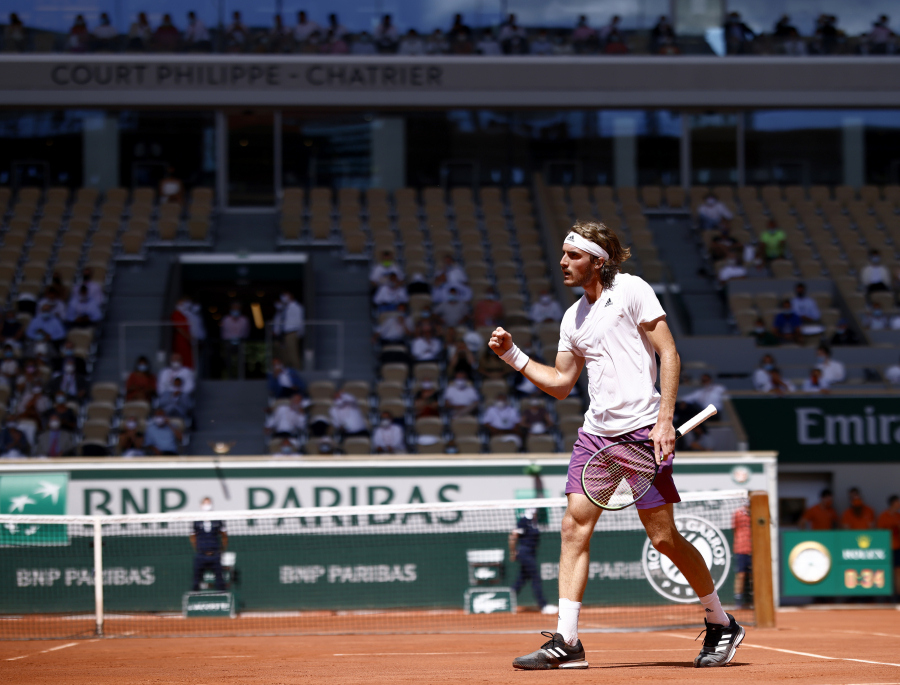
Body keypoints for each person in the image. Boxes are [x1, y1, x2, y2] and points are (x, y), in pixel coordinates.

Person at [492, 221, 745, 669]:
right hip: (595, 436)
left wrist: (665, 419)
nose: (564, 262)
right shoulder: (573, 317)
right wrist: (514, 356)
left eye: (574, 255)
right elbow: (561, 383)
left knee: (664, 539)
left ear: (598, 260)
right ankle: (567, 643)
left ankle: (721, 622)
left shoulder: (631, 290)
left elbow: (668, 352)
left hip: (643, 431)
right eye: (564, 254)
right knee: (574, 528)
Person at [509, 508, 557, 615]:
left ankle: (506, 600)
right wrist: (513, 552)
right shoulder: (523, 521)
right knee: (536, 578)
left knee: (521, 579)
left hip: (531, 553)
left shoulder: (534, 522)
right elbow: (513, 536)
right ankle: (543, 605)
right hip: (524, 553)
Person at [190, 497, 227, 592]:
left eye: (208, 503)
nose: (207, 505)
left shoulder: (217, 519)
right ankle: (194, 599)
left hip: (215, 554)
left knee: (220, 579)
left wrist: (221, 550)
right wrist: (198, 548)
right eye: (205, 503)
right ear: (201, 505)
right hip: (201, 554)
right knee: (196, 579)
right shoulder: (196, 520)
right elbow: (192, 536)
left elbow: (224, 535)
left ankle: (222, 598)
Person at [877, 495, 900, 602]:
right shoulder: (883, 516)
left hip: (897, 547)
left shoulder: (898, 516)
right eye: (897, 502)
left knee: (897, 571)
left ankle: (897, 594)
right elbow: (880, 532)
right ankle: (886, 593)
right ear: (892, 503)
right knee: (885, 571)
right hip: (886, 548)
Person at [220, 302, 250, 376]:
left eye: (237, 308)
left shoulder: (244, 320)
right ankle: (229, 375)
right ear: (231, 309)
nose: (236, 310)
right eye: (234, 308)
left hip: (241, 342)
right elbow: (223, 332)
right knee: (228, 360)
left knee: (241, 360)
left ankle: (241, 376)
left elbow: (247, 332)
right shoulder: (225, 319)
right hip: (228, 343)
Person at [731, 503, 752, 608]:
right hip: (741, 549)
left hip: (755, 550)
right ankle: (738, 601)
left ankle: (754, 601)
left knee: (755, 576)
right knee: (741, 575)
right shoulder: (738, 513)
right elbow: (734, 529)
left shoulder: (757, 513)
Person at [280, 292, 305, 371]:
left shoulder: (297, 307)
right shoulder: (286, 308)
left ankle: (298, 372)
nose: (283, 298)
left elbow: (300, 321)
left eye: (285, 296)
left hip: (293, 333)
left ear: (290, 296)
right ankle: (290, 372)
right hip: (287, 333)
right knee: (287, 354)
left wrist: (299, 334)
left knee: (293, 354)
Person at [171, 298, 195, 368]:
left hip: (186, 340)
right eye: (180, 304)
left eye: (182, 304)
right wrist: (189, 337)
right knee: (182, 356)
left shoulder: (184, 315)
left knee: (188, 357)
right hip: (181, 339)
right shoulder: (176, 314)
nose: (182, 306)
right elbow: (179, 329)